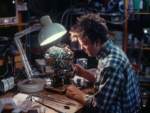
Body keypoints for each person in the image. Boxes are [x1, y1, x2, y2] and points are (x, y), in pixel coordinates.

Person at [65, 13, 143, 113]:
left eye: (84, 44)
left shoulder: (111, 64)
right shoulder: (111, 51)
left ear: (97, 42)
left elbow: (98, 106)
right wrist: (84, 73)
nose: (82, 48)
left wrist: (79, 94)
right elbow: (106, 83)